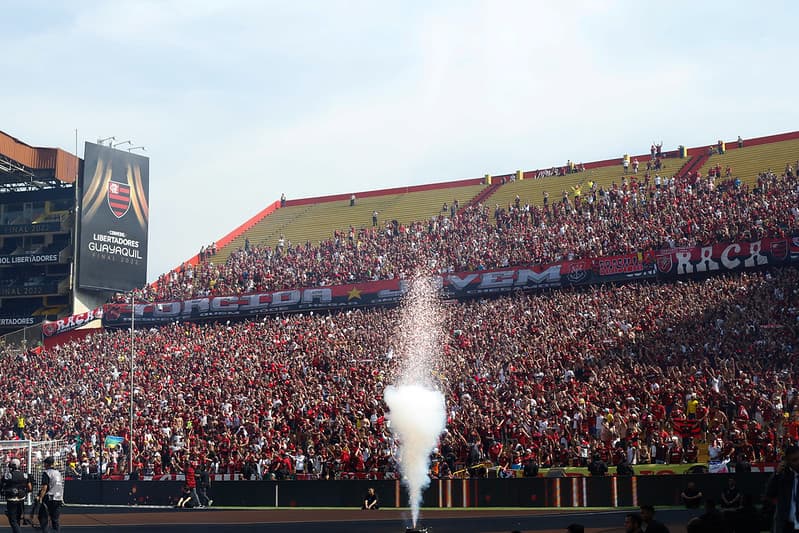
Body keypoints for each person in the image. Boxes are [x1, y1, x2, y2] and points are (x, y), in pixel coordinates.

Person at [766, 444, 799, 532]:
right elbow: (770, 493)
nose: (798, 462)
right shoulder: (783, 477)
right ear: (788, 462)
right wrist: (777, 474)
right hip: (787, 527)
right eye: (794, 460)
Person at [1, 458, 31, 533]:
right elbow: (30, 487)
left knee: (13, 520)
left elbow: (2, 483)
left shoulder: (9, 475)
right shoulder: (25, 475)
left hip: (12, 499)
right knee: (17, 519)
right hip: (21, 499)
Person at [37, 456, 63, 533]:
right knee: (55, 519)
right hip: (58, 498)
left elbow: (44, 487)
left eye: (45, 463)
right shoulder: (58, 473)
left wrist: (40, 498)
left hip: (49, 497)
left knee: (42, 517)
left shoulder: (47, 473)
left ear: (47, 464)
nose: (44, 465)